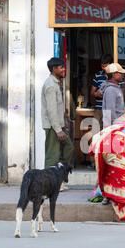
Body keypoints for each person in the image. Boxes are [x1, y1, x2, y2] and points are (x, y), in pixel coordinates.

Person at [89, 114, 125, 222]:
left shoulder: (110, 130)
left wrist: (97, 186)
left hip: (98, 144)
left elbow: (103, 169)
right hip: (116, 148)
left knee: (110, 174)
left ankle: (108, 196)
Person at [41, 57, 74, 185]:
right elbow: (51, 111)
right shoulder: (50, 85)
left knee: (68, 148)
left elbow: (58, 109)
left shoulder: (56, 83)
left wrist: (63, 123)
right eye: (61, 67)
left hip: (58, 126)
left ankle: (59, 178)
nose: (63, 69)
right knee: (52, 156)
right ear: (54, 69)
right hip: (53, 127)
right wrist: (58, 130)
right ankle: (48, 184)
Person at [90, 53, 113, 130]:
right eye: (102, 66)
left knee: (108, 133)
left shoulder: (116, 76)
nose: (103, 68)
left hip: (111, 110)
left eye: (105, 66)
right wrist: (96, 94)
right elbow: (92, 92)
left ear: (111, 64)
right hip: (99, 109)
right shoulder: (98, 75)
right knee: (95, 131)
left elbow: (121, 94)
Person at [101, 63, 125, 128]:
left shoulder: (115, 88)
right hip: (113, 127)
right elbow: (110, 111)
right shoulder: (111, 90)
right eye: (120, 73)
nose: (122, 75)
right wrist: (116, 126)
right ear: (113, 74)